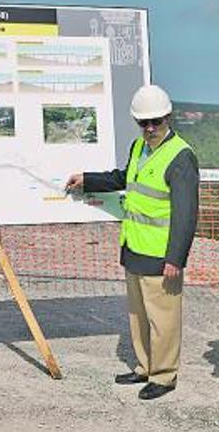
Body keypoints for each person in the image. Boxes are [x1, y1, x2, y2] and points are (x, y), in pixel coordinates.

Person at [65, 84, 199, 400]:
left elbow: (186, 214)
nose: (150, 128)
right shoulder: (139, 147)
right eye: (144, 123)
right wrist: (88, 178)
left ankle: (164, 376)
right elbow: (123, 178)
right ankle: (144, 368)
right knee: (138, 315)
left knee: (163, 319)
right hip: (135, 246)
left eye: (156, 122)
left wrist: (175, 259)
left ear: (168, 117)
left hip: (161, 254)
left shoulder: (181, 157)